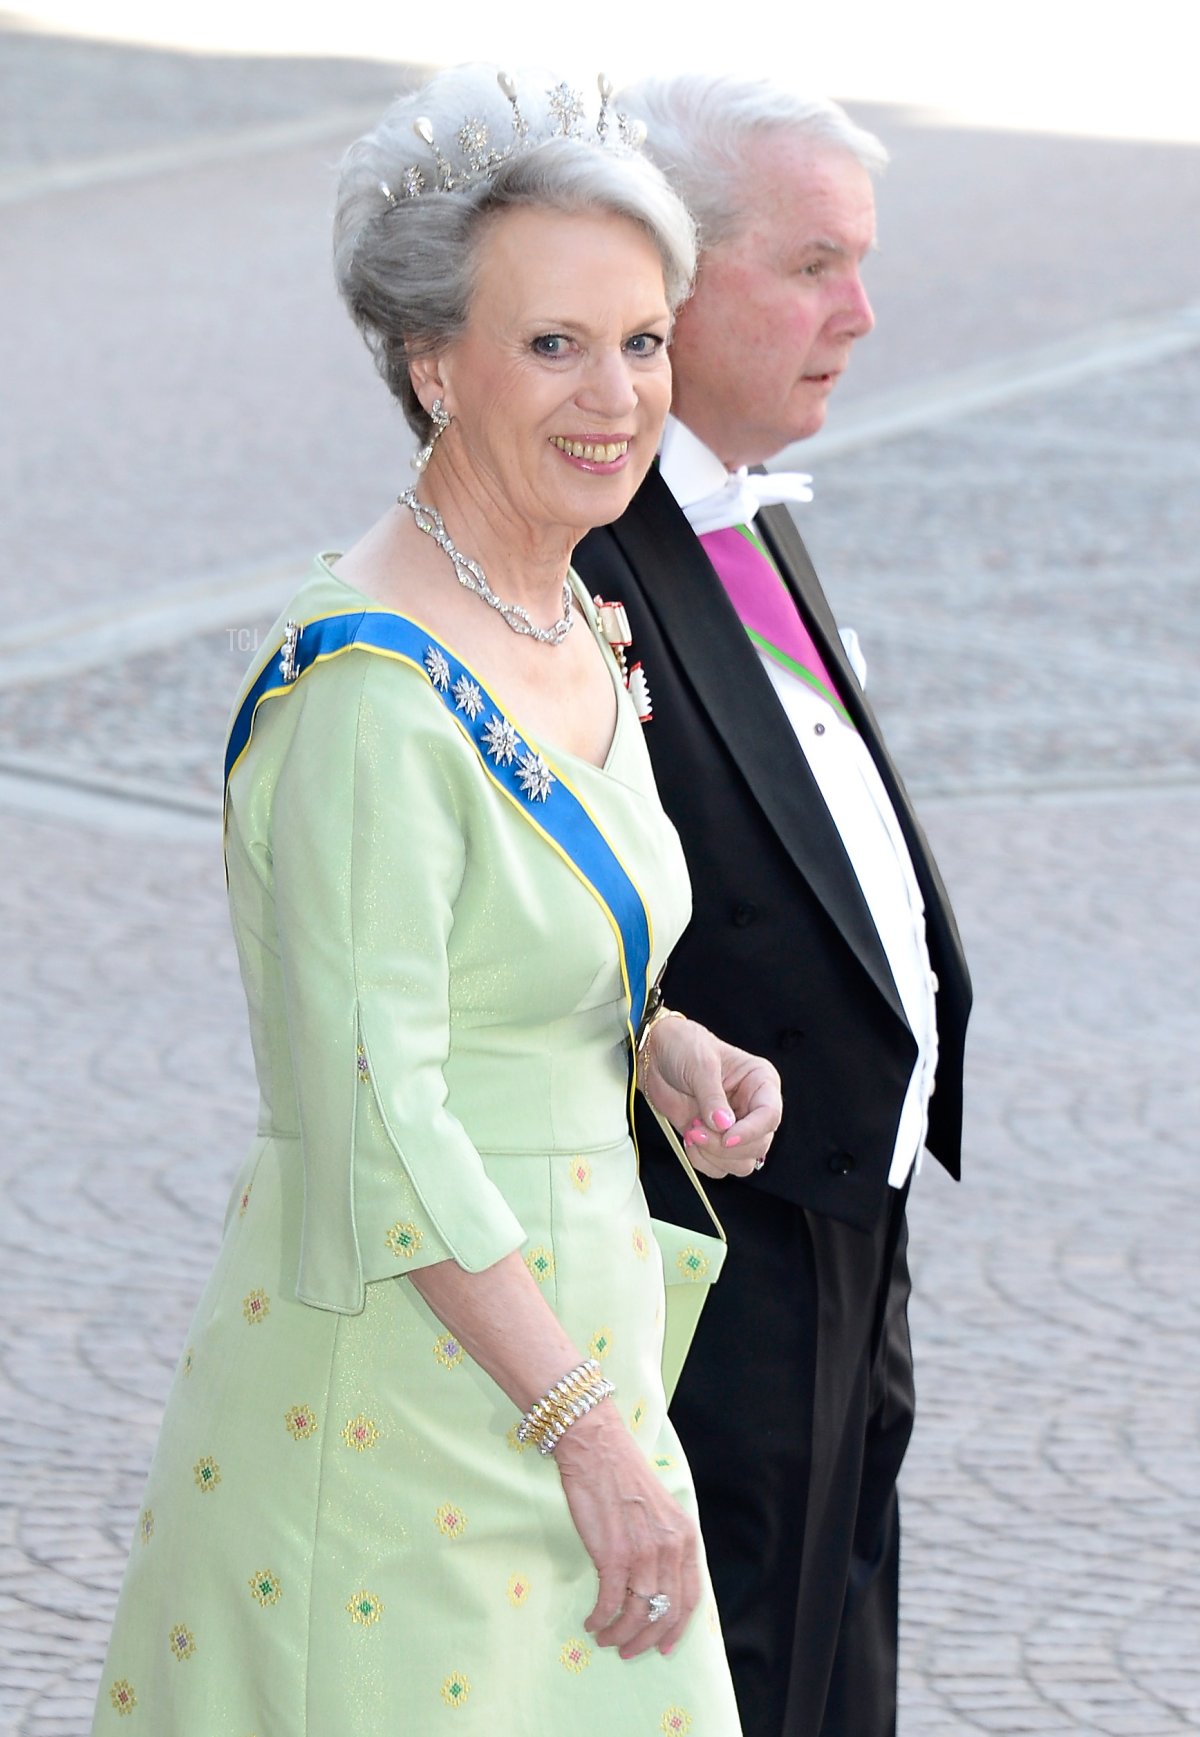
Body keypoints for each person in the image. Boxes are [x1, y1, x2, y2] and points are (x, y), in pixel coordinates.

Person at [90, 65, 783, 1736]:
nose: (616, 395)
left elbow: (487, 958)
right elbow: (377, 1112)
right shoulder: (366, 693)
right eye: (553, 343)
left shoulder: (567, 614)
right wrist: (588, 1433)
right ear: (431, 364)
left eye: (644, 340)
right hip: (408, 1409)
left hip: (571, 1357)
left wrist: (649, 1037)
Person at [574, 76, 973, 1737]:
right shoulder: (588, 545)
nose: (859, 315)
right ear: (667, 281)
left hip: (853, 1209)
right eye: (815, 266)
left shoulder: (740, 493)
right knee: (733, 1671)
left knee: (836, 1652)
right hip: (711, 1236)